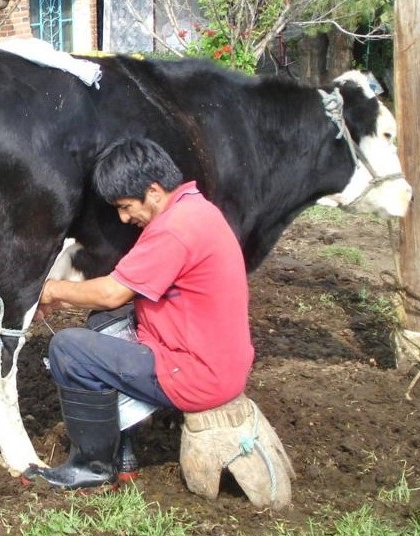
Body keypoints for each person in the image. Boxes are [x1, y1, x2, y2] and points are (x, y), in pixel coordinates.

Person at [23, 137, 255, 490]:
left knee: (68, 348)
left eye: (126, 206)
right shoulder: (195, 209)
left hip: (198, 374)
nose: (124, 217)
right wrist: (63, 300)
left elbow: (113, 291)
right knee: (102, 323)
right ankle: (123, 444)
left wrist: (50, 290)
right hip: (217, 360)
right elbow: (119, 293)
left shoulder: (172, 231)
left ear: (154, 190)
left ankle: (93, 466)